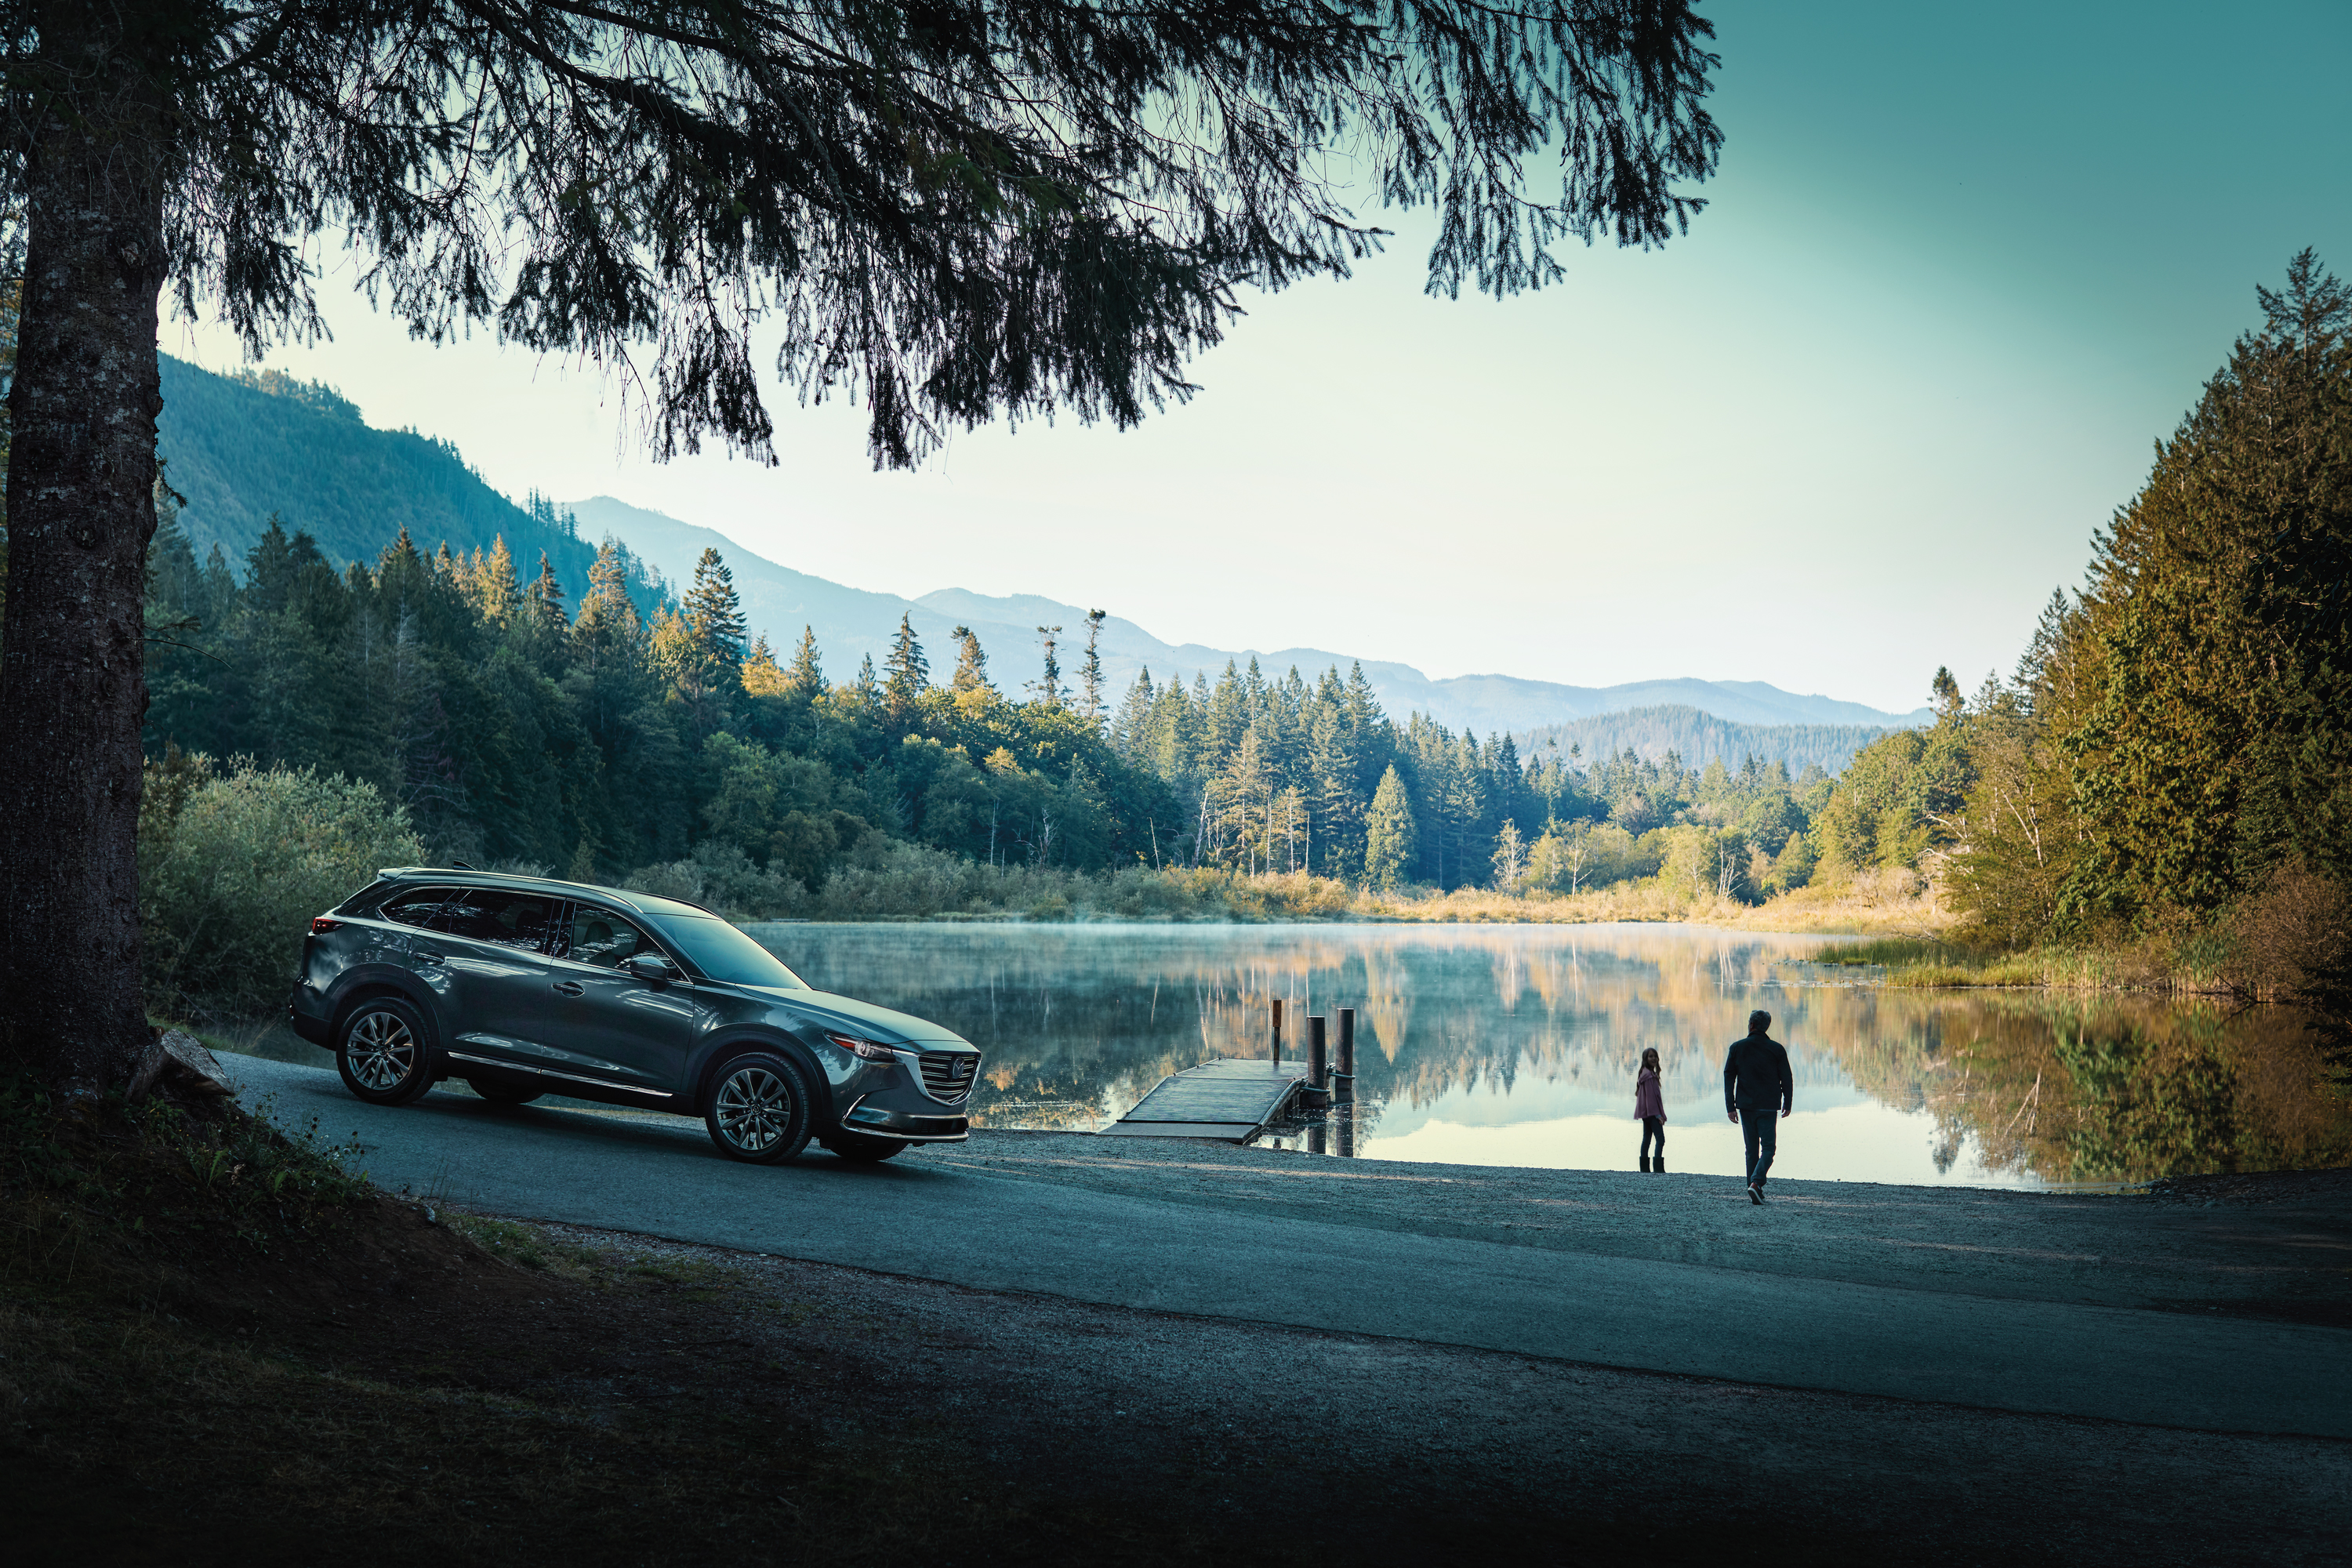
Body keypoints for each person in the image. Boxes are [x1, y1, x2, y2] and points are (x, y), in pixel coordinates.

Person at [1722, 1010, 1793, 1204]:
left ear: (1751, 1025)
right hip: (1768, 1106)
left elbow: (1729, 1077)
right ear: (1766, 1027)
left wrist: (1730, 1106)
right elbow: (1786, 1077)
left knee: (1751, 1150)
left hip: (1746, 1105)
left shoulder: (1737, 1047)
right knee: (1769, 1148)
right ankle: (1756, 1184)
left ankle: (1753, 1187)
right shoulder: (1776, 1049)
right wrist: (1788, 1101)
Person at [1634, 1047, 1668, 1172]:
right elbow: (1651, 1099)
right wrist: (1658, 1115)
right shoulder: (1648, 1076)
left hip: (1646, 1113)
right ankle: (1658, 1169)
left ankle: (1644, 1169)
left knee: (1647, 1138)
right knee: (1660, 1139)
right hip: (1652, 1113)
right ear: (1645, 1059)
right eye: (1650, 1056)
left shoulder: (1646, 1074)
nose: (1653, 1058)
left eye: (1655, 1056)